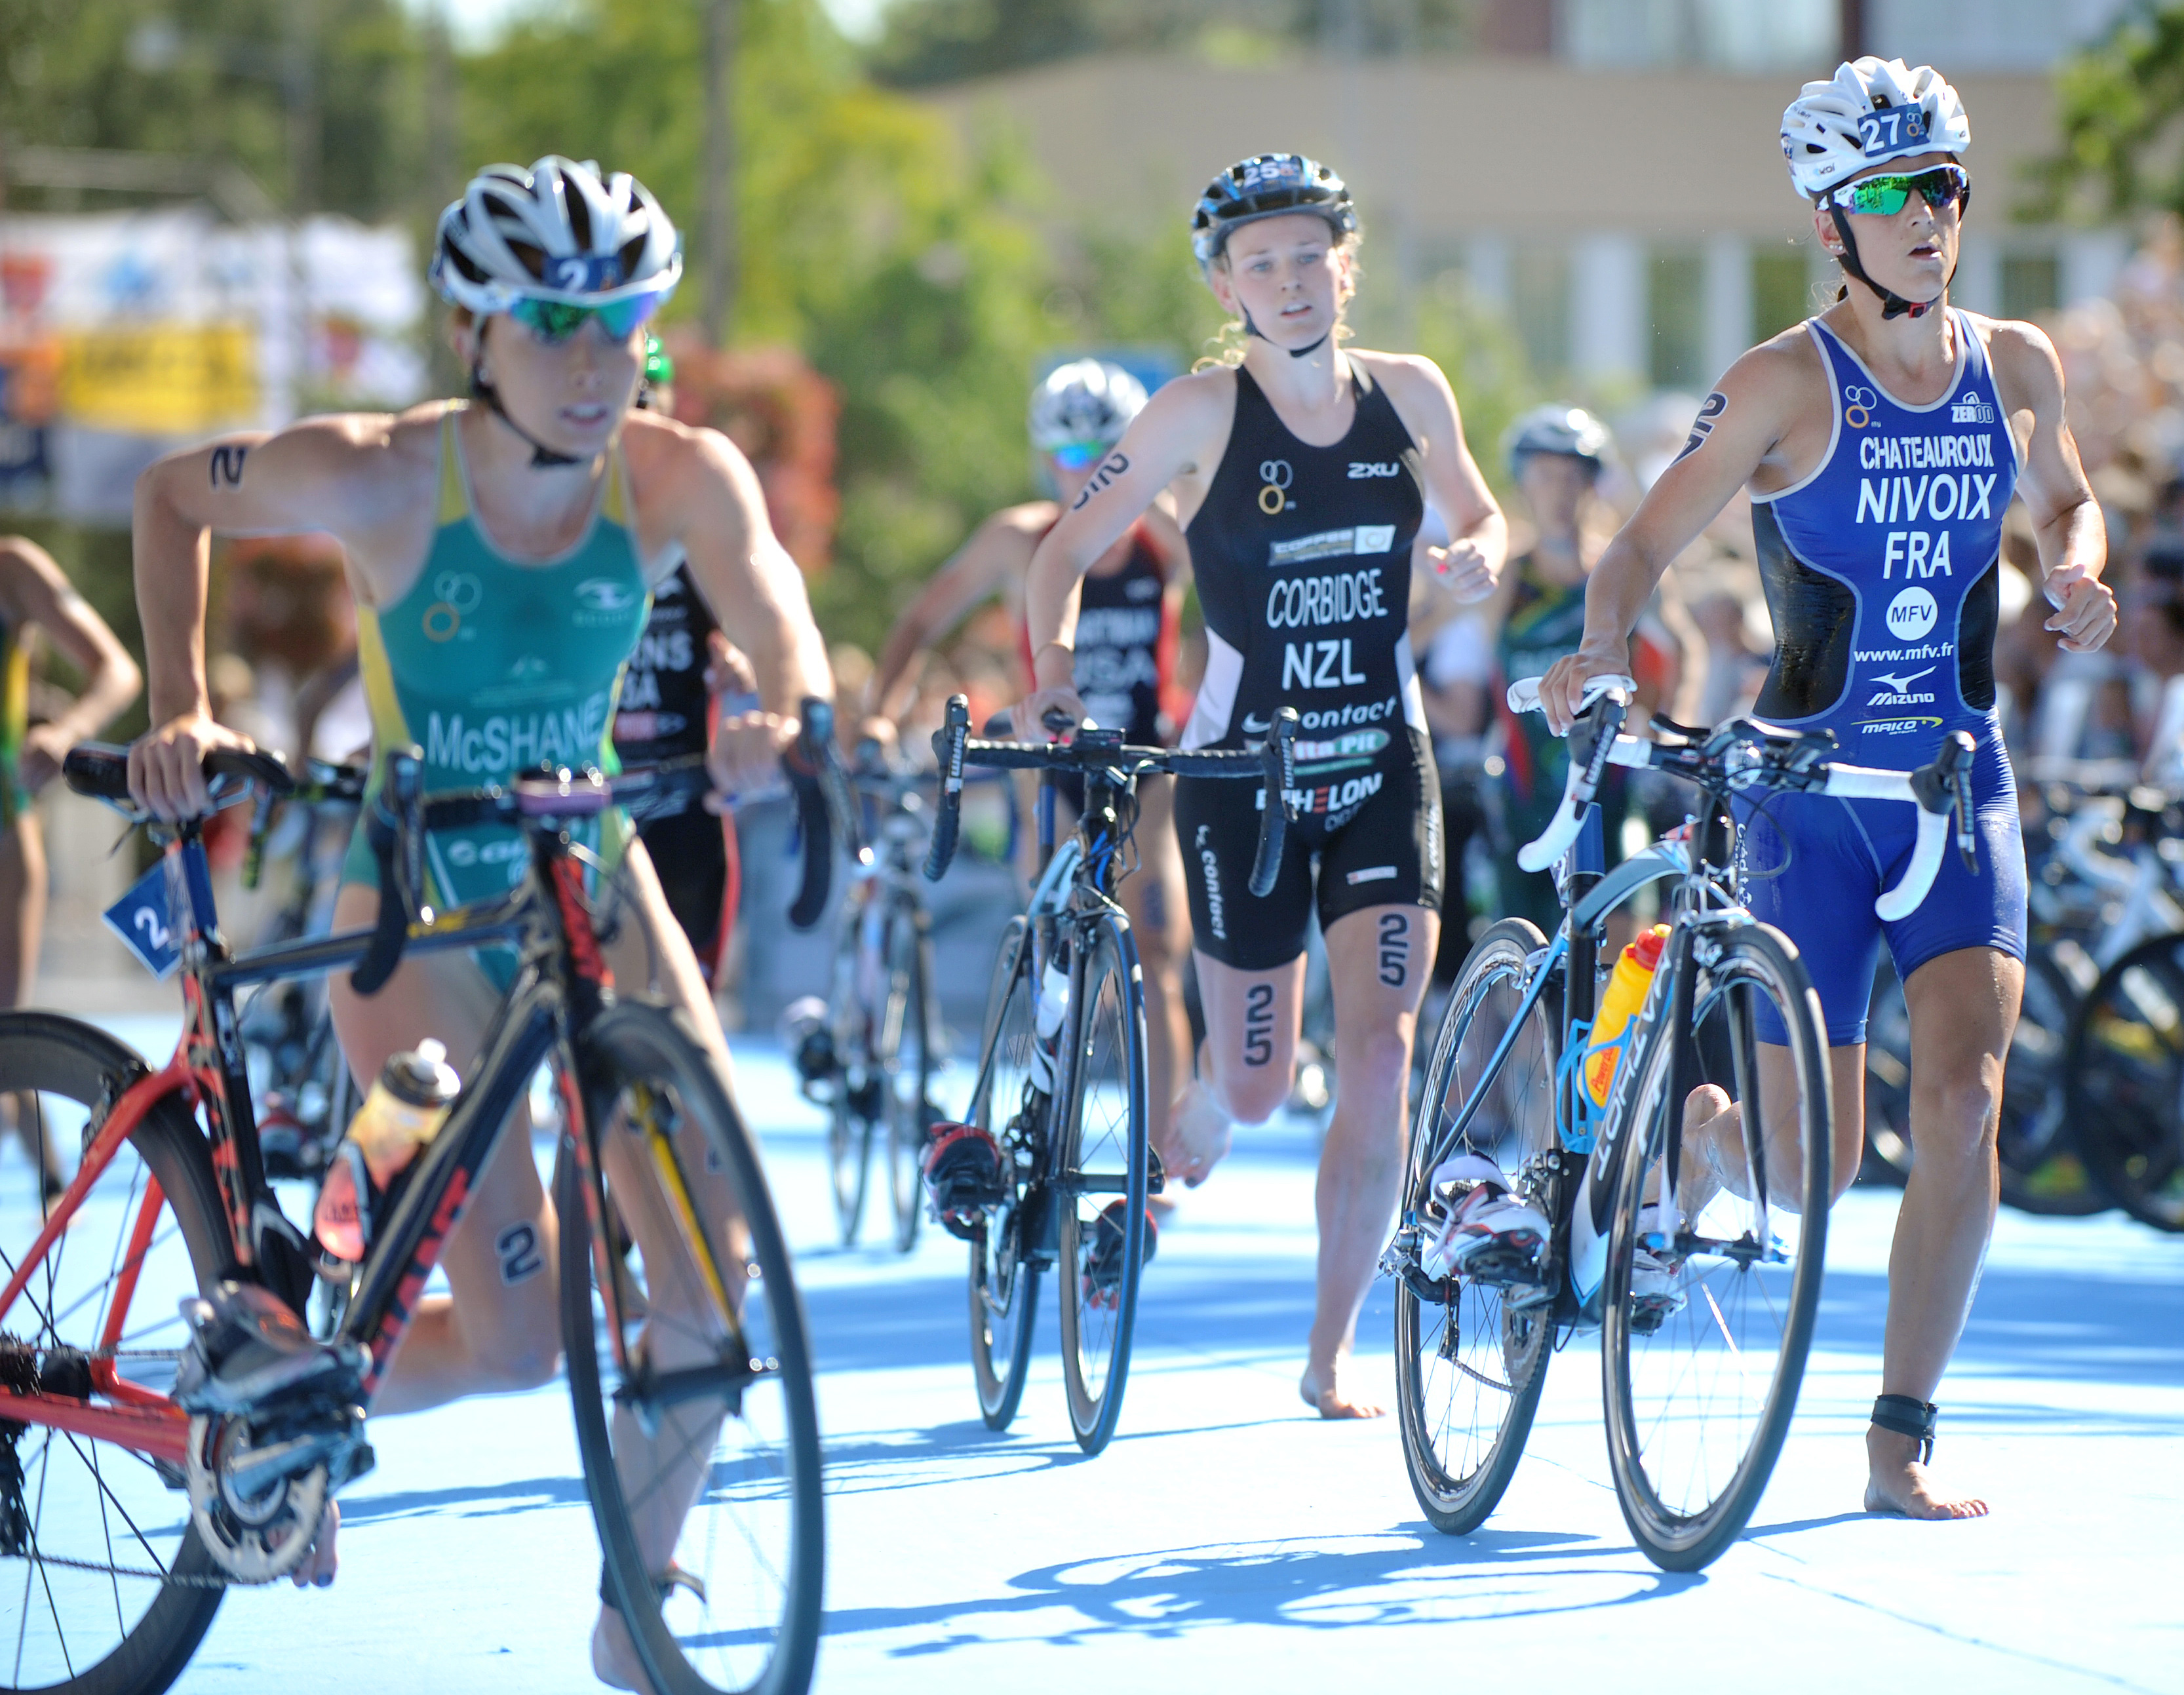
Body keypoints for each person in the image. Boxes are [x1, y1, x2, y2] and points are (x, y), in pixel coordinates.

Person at [123, 156, 834, 1687]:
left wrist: (792, 706)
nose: (595, 366)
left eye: (622, 326)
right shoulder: (382, 469)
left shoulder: (676, 471)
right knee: (508, 1336)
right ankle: (291, 1349)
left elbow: (769, 592)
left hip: (589, 868)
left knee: (710, 1298)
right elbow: (170, 492)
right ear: (474, 330)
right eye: (554, 327)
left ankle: (643, 1606)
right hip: (416, 901)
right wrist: (178, 703)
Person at [1532, 58, 2116, 1517]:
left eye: (1942, 188)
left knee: (1966, 1106)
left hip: (1957, 792)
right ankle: (1710, 1138)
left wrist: (2082, 572)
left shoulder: (2017, 361)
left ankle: (1896, 1439)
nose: (1924, 217)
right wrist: (1602, 647)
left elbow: (2064, 502)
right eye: (1884, 195)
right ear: (1827, 224)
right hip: (1808, 801)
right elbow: (1635, 548)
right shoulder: (1778, 383)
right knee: (1814, 1176)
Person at [1009, 153, 1506, 1418]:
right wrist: (1055, 672)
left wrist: (1474, 553)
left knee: (1382, 1056)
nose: (1288, 282)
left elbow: (1482, 513)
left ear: (1344, 267)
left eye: (1307, 256)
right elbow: (1062, 549)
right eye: (1259, 263)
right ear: (1226, 287)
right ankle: (1199, 1127)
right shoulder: (1194, 412)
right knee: (1257, 1084)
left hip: (1380, 766)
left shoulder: (1410, 392)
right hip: (1244, 778)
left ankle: (1331, 1350)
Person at [867, 359, 1196, 1134]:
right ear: (1044, 456)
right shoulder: (1018, 540)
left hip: (1141, 769)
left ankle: (1157, 1165)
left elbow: (1240, 598)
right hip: (1046, 768)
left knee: (1162, 955)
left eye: (1112, 452)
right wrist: (881, 715)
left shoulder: (1163, 531)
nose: (1091, 472)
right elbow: (920, 622)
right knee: (1047, 947)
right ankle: (1037, 1120)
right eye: (1073, 456)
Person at [613, 334, 761, 984]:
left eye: (648, 401)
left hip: (683, 800)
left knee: (684, 1010)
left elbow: (760, 621)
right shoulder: (551, 508)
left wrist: (745, 664)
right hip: (586, 800)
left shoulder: (693, 508)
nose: (634, 422)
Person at [0, 537, 143, 1206]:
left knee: (6, 1042)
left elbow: (117, 669)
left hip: (4, 842)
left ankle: (54, 1187)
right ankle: (51, 1172)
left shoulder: (13, 566)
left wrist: (66, 732)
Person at [1491, 404, 1641, 934]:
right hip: (1524, 793)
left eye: (1573, 477)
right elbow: (1435, 648)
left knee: (1614, 949)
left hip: (1611, 788)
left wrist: (1662, 714)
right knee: (1522, 959)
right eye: (1545, 477)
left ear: (1592, 486)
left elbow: (1683, 649)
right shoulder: (1507, 578)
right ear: (1522, 486)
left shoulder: (1622, 570)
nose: (1559, 492)